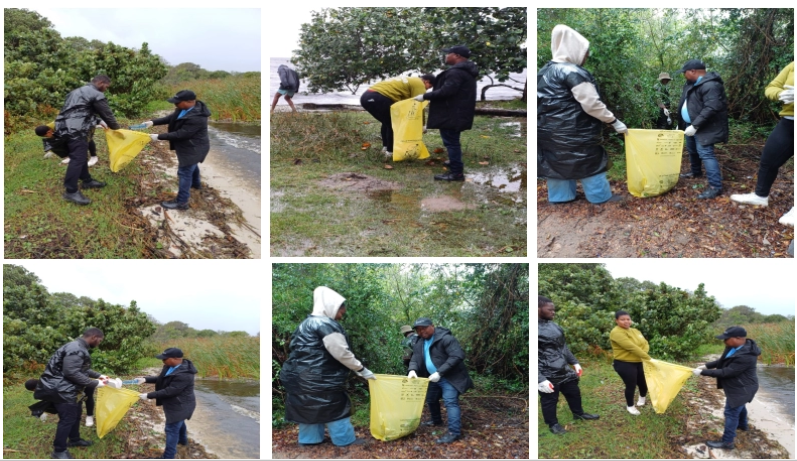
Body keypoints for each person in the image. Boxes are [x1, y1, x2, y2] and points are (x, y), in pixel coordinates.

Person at [537, 25, 628, 204]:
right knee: (589, 161)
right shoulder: (573, 72)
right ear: (573, 48)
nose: (586, 56)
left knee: (557, 163)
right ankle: (600, 197)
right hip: (577, 131)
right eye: (585, 51)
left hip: (549, 132)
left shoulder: (544, 72)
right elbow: (592, 104)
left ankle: (560, 198)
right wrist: (613, 120)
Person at [279, 286, 375, 448]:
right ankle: (345, 441)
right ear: (332, 306)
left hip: (300, 378)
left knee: (307, 408)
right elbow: (341, 352)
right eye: (340, 312)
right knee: (334, 407)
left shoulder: (304, 324)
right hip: (323, 378)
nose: (340, 317)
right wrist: (361, 370)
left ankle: (309, 441)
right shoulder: (326, 324)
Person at [730, 62, 794, 226]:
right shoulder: (793, 65)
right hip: (789, 121)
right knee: (769, 158)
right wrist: (781, 94)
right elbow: (771, 88)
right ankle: (760, 196)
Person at [33, 328, 109, 460]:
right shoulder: (77, 348)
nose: (99, 343)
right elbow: (71, 372)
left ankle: (74, 439)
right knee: (67, 419)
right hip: (62, 390)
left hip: (67, 388)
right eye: (100, 340)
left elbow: (81, 368)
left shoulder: (77, 347)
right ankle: (59, 451)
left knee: (76, 414)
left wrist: (100, 376)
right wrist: (95, 383)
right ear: (94, 337)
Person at [414, 45, 478, 181]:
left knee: (451, 142)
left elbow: (447, 91)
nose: (445, 56)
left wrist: (425, 96)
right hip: (458, 111)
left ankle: (456, 173)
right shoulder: (465, 71)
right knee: (453, 140)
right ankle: (454, 162)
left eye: (448, 54)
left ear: (457, 56)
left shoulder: (456, 72)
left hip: (452, 113)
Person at [54, 75, 121, 205]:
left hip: (63, 127)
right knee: (78, 158)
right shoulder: (96, 94)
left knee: (81, 155)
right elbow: (107, 114)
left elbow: (75, 111)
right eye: (106, 87)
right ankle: (71, 191)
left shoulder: (75, 92)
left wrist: (97, 120)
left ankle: (87, 180)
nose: (105, 90)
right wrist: (118, 130)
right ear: (101, 83)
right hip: (77, 130)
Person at [140, 90, 211, 210]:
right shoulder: (183, 109)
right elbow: (171, 118)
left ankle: (182, 203)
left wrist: (158, 137)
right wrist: (152, 122)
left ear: (190, 102)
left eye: (178, 102)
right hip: (189, 146)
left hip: (194, 148)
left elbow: (181, 134)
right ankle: (196, 185)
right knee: (192, 166)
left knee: (184, 172)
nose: (175, 104)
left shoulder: (197, 117)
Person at [538, 296, 599, 435]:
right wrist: (540, 379)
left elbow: (563, 347)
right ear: (538, 309)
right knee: (549, 400)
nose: (553, 312)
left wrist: (575, 362)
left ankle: (578, 414)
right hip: (546, 373)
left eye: (554, 309)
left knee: (574, 393)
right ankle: (552, 424)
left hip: (564, 370)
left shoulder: (554, 325)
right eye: (550, 309)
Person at [693, 327, 761, 450]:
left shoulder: (747, 355)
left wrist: (703, 373)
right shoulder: (733, 347)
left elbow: (726, 372)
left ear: (739, 338)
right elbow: (722, 361)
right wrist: (706, 365)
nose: (724, 341)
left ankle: (728, 442)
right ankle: (743, 425)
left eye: (727, 339)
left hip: (743, 388)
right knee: (739, 406)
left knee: (731, 412)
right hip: (738, 386)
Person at [407, 317, 473, 444]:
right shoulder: (419, 341)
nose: (422, 332)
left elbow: (457, 355)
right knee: (431, 399)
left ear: (432, 326)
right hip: (433, 377)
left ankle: (454, 433)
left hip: (449, 377)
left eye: (424, 328)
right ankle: (436, 420)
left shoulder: (446, 338)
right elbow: (415, 357)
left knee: (450, 402)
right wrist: (412, 370)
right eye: (418, 330)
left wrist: (440, 372)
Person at [676, 59, 729, 199]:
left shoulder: (711, 85)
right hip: (690, 125)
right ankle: (695, 172)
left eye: (685, 73)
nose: (684, 75)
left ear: (693, 71)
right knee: (692, 150)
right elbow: (685, 104)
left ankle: (715, 187)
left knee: (706, 153)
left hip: (704, 126)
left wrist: (695, 125)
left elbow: (712, 107)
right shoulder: (691, 84)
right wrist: (681, 123)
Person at [135, 347, 198, 459]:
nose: (163, 361)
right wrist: (145, 379)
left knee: (171, 429)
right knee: (179, 422)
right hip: (176, 405)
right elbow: (161, 379)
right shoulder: (170, 366)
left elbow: (171, 391)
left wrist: (149, 395)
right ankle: (183, 442)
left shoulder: (185, 374)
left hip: (181, 406)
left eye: (165, 359)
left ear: (176, 359)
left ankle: (168, 457)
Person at [362, 74, 435, 158]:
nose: (426, 89)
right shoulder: (419, 83)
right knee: (394, 124)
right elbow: (419, 105)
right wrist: (422, 125)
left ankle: (386, 148)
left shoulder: (408, 80)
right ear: (426, 81)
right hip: (378, 97)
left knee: (387, 123)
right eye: (429, 87)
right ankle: (390, 152)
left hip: (366, 96)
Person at [609, 310, 651, 416]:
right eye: (622, 319)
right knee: (631, 385)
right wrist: (647, 358)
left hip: (639, 361)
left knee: (643, 382)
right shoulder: (616, 333)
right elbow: (631, 347)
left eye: (628, 319)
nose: (626, 321)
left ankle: (642, 399)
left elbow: (645, 343)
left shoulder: (635, 331)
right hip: (625, 363)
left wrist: (644, 354)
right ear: (616, 321)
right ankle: (630, 406)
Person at [35, 120, 104, 165]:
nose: (47, 137)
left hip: (81, 125)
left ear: (49, 132)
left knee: (87, 139)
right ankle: (70, 156)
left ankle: (94, 156)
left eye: (46, 135)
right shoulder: (49, 128)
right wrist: (51, 150)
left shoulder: (60, 126)